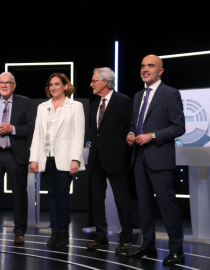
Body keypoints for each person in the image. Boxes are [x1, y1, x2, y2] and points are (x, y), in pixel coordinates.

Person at [126, 55, 186, 265]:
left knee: (167, 206)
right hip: (139, 158)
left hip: (160, 157)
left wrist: (152, 136)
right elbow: (135, 124)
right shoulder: (137, 96)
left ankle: (177, 250)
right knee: (144, 206)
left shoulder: (170, 94)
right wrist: (131, 134)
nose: (145, 69)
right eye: (142, 65)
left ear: (160, 71)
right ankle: (147, 245)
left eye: (150, 66)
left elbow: (178, 127)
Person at [0, 72, 35, 244]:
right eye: (1, 82)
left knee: (19, 195)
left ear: (14, 85)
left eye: (8, 82)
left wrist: (13, 129)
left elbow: (31, 127)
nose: (4, 85)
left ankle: (19, 232)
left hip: (14, 153)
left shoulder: (25, 102)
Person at [30, 73, 85, 247]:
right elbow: (37, 135)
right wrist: (33, 158)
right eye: (51, 85)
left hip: (66, 159)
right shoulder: (42, 107)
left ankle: (63, 233)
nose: (53, 87)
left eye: (57, 84)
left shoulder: (75, 106)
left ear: (65, 86)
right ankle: (55, 232)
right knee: (51, 196)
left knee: (62, 196)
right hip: (46, 158)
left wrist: (75, 159)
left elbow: (79, 135)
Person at [87, 67, 133, 254]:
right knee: (96, 200)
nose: (91, 84)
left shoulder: (123, 101)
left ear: (104, 82)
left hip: (117, 159)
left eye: (93, 81)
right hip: (96, 159)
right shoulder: (92, 105)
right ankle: (100, 236)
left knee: (122, 201)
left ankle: (126, 238)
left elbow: (131, 127)